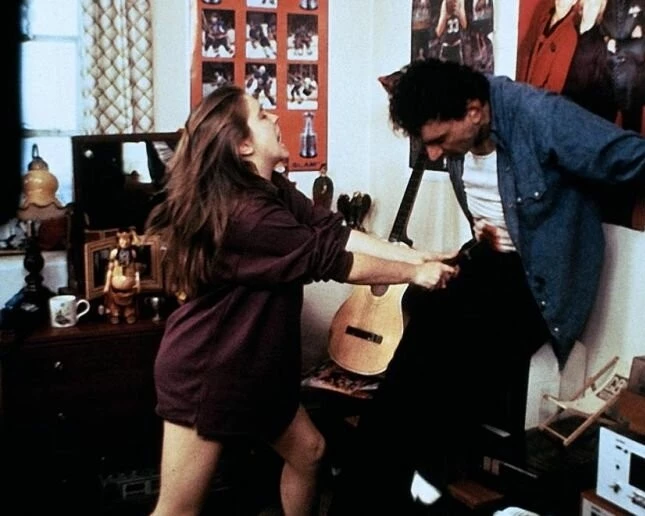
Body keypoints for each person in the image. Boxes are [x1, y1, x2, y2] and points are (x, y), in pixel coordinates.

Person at [329, 58, 645, 515]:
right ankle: (362, 501)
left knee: (440, 390)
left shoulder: (539, 116)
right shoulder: (461, 120)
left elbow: (629, 155)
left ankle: (407, 493)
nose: (433, 155)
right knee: (403, 375)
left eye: (439, 140)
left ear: (474, 111)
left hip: (538, 280)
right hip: (489, 262)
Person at [144, 84, 458, 516]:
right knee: (178, 509)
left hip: (256, 368)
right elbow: (332, 259)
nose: (274, 117)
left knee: (309, 453)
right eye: (261, 115)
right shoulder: (248, 215)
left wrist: (418, 256)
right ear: (243, 145)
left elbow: (334, 232)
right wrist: (413, 274)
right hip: (209, 371)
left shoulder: (269, 188)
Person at [104, 227, 141, 324]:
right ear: (118, 240)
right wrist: (107, 284)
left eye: (127, 239)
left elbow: (136, 270)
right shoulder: (114, 253)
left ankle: (129, 313)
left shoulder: (133, 253)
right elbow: (110, 270)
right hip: (116, 289)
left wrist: (138, 282)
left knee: (130, 306)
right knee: (114, 305)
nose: (124, 242)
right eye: (122, 239)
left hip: (130, 287)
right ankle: (115, 313)